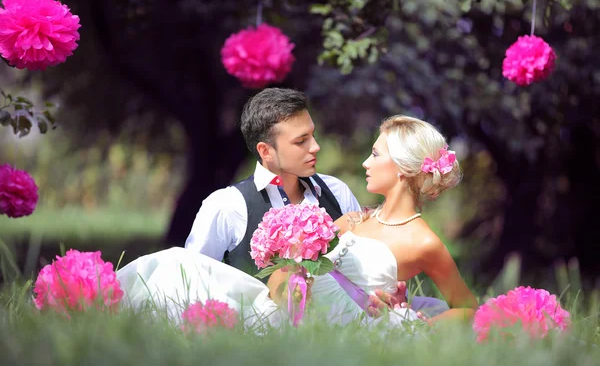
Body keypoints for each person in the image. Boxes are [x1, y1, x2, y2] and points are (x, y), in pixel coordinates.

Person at [116, 114, 475, 330]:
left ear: (401, 169)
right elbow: (298, 270)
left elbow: (467, 308)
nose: (366, 162)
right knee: (177, 265)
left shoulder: (424, 242)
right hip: (290, 308)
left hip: (335, 325)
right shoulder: (355, 219)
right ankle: (96, 300)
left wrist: (420, 325)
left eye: (376, 154)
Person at [184, 88, 361, 275]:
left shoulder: (337, 191)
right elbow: (192, 279)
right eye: (301, 141)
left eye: (313, 136)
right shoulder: (227, 206)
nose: (315, 147)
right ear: (266, 151)